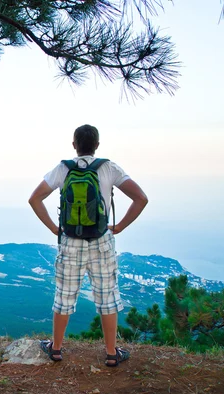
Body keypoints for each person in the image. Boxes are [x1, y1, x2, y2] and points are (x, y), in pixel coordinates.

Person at [28, 124, 148, 367]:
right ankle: (112, 353)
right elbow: (141, 198)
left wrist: (54, 228)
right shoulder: (108, 168)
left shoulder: (63, 169)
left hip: (70, 242)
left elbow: (34, 198)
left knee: (64, 296)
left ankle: (57, 349)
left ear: (74, 145)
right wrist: (121, 226)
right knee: (107, 296)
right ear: (97, 145)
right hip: (102, 241)